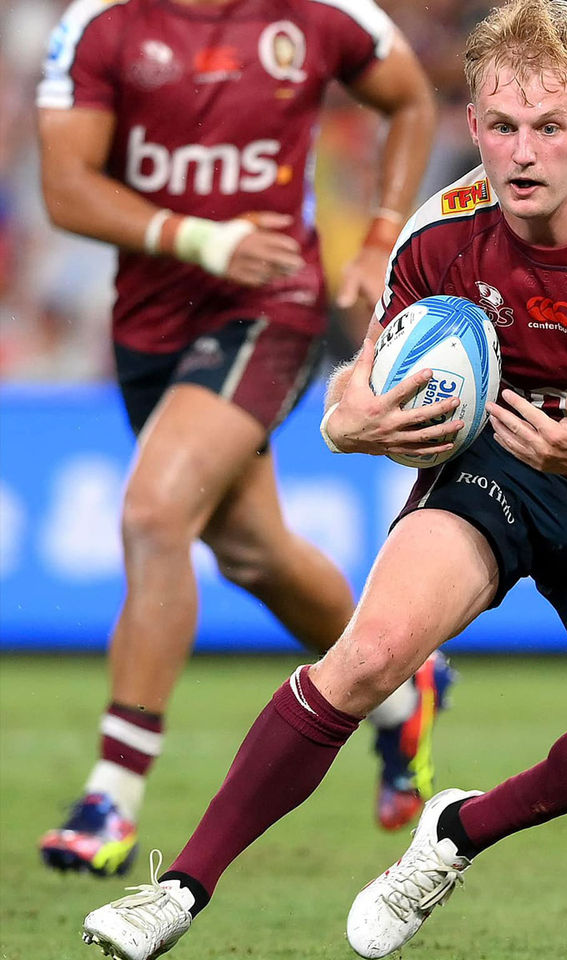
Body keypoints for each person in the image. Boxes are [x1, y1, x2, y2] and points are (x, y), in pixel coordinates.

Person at [79, 1, 567, 957]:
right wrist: (346, 423)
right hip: (490, 475)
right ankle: (180, 892)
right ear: (473, 125)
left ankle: (458, 832)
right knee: (366, 656)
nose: (524, 153)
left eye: (550, 127)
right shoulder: (440, 235)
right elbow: (361, 390)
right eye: (504, 127)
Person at [35, 0, 447, 875]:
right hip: (154, 320)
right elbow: (64, 187)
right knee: (254, 552)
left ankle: (113, 792)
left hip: (271, 305)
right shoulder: (103, 24)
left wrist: (380, 234)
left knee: (153, 514)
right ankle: (404, 679)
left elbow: (411, 97)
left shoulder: (317, 15)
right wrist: (195, 236)